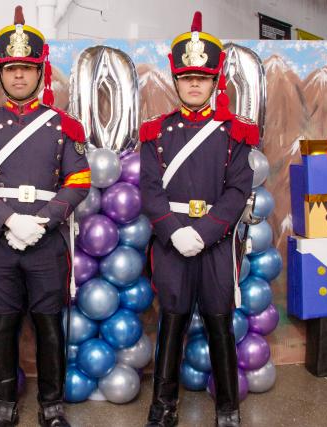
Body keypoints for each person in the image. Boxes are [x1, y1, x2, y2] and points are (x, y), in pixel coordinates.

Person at [0, 6, 90, 427]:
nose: (19, 76)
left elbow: (79, 181)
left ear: (40, 72)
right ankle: (4, 406)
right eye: (11, 68)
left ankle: (52, 408)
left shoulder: (63, 126)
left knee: (50, 326)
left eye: (27, 68)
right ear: (0, 74)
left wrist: (41, 222)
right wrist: (9, 220)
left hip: (46, 241)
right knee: (4, 325)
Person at [139, 11, 259, 427]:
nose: (194, 83)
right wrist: (174, 233)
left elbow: (237, 190)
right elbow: (150, 191)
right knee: (171, 325)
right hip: (171, 243)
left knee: (218, 324)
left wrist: (205, 233)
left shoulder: (236, 132)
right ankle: (163, 406)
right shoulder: (155, 131)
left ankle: (227, 409)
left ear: (214, 81)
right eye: (187, 77)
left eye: (202, 77)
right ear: (176, 81)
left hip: (216, 242)